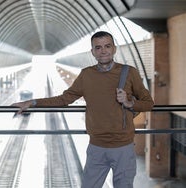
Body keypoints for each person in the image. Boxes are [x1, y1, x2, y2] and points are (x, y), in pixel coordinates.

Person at [11, 31, 154, 188]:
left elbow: (148, 103)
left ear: (114, 49)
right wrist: (32, 102)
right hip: (96, 148)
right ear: (92, 52)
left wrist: (129, 103)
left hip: (123, 148)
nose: (103, 51)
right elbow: (64, 99)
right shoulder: (86, 75)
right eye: (98, 47)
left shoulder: (129, 72)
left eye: (107, 46)